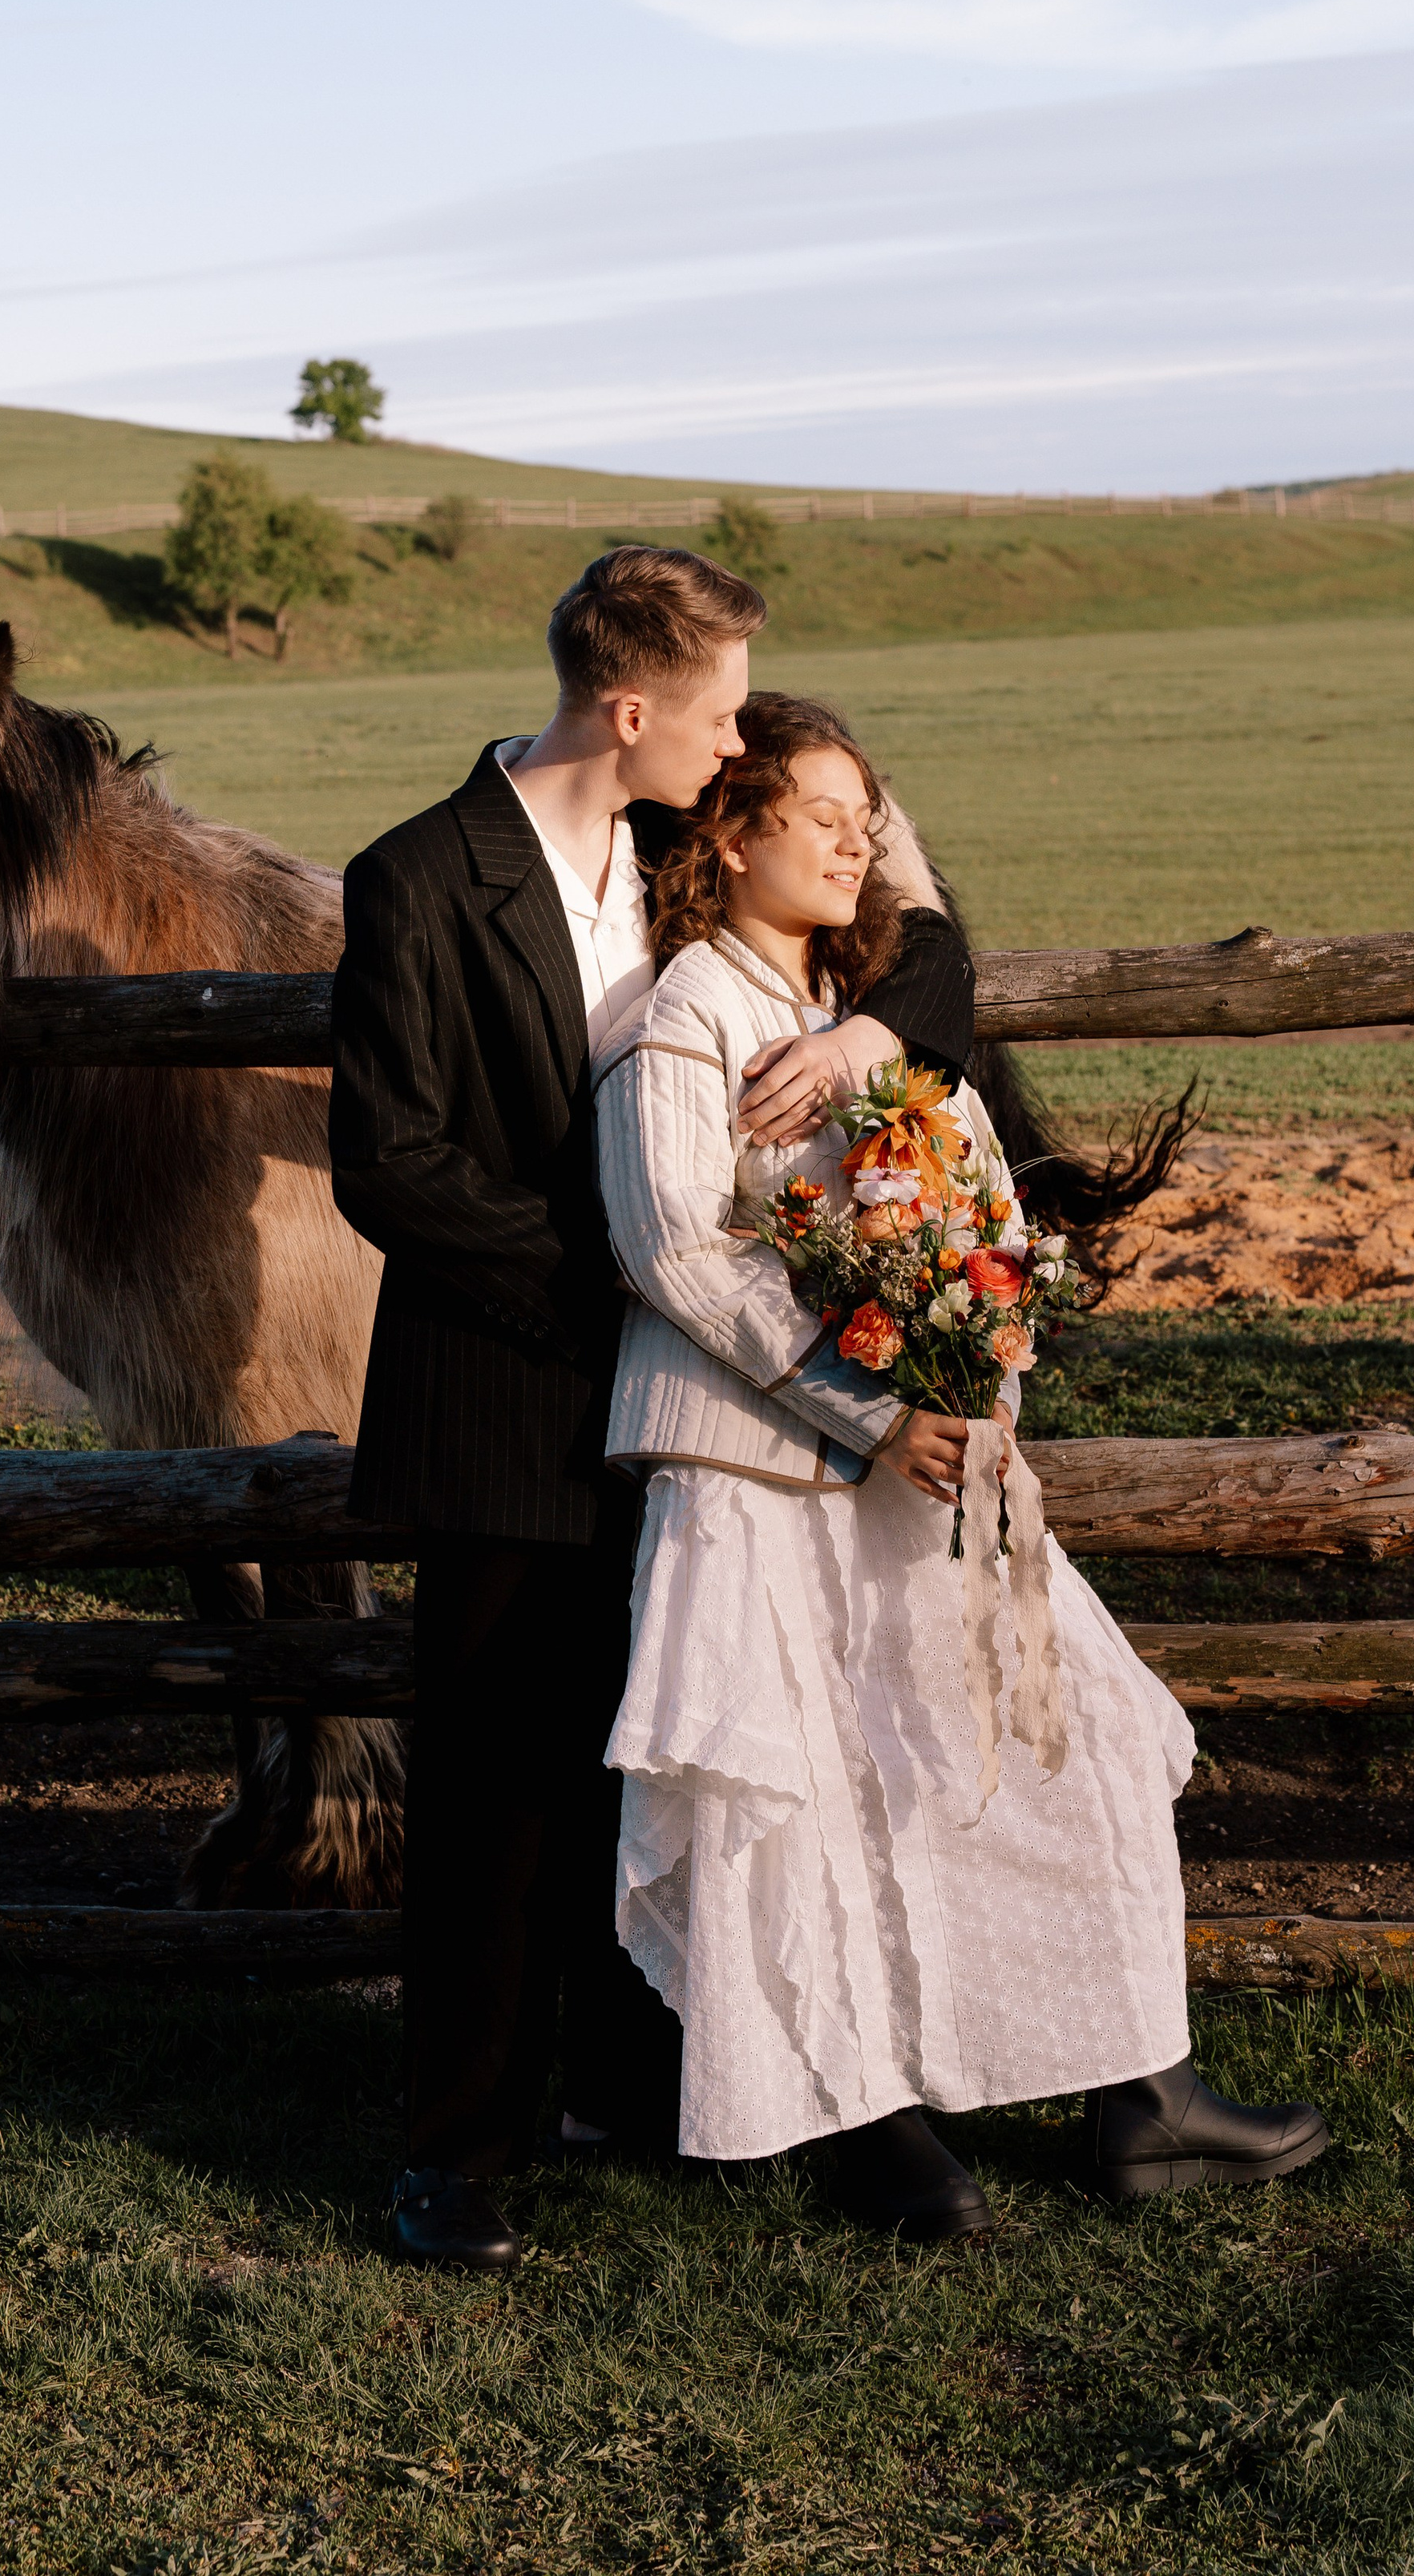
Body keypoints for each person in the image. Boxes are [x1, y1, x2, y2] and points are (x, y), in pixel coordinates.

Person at [593, 690, 1331, 2237]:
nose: (866, 841)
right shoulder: (686, 1018)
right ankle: (868, 2122)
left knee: (1075, 1747)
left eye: (872, 813)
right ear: (729, 837)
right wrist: (869, 1408)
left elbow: (976, 1198)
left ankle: (1147, 2090)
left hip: (941, 1468)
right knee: (810, 1798)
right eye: (826, 815)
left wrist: (986, 1332)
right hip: (766, 1480)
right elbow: (670, 1241)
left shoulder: (879, 1022)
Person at [328, 547, 980, 2275]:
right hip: (511, 1388)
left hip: (707, 1401)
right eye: (711, 711)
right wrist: (621, 1262)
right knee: (495, 1785)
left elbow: (927, 950)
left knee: (698, 1749)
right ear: (628, 711)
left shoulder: (680, 841)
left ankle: (678, 2089)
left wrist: (860, 1050)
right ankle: (453, 2152)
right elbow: (386, 1164)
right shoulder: (413, 876)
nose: (735, 737)